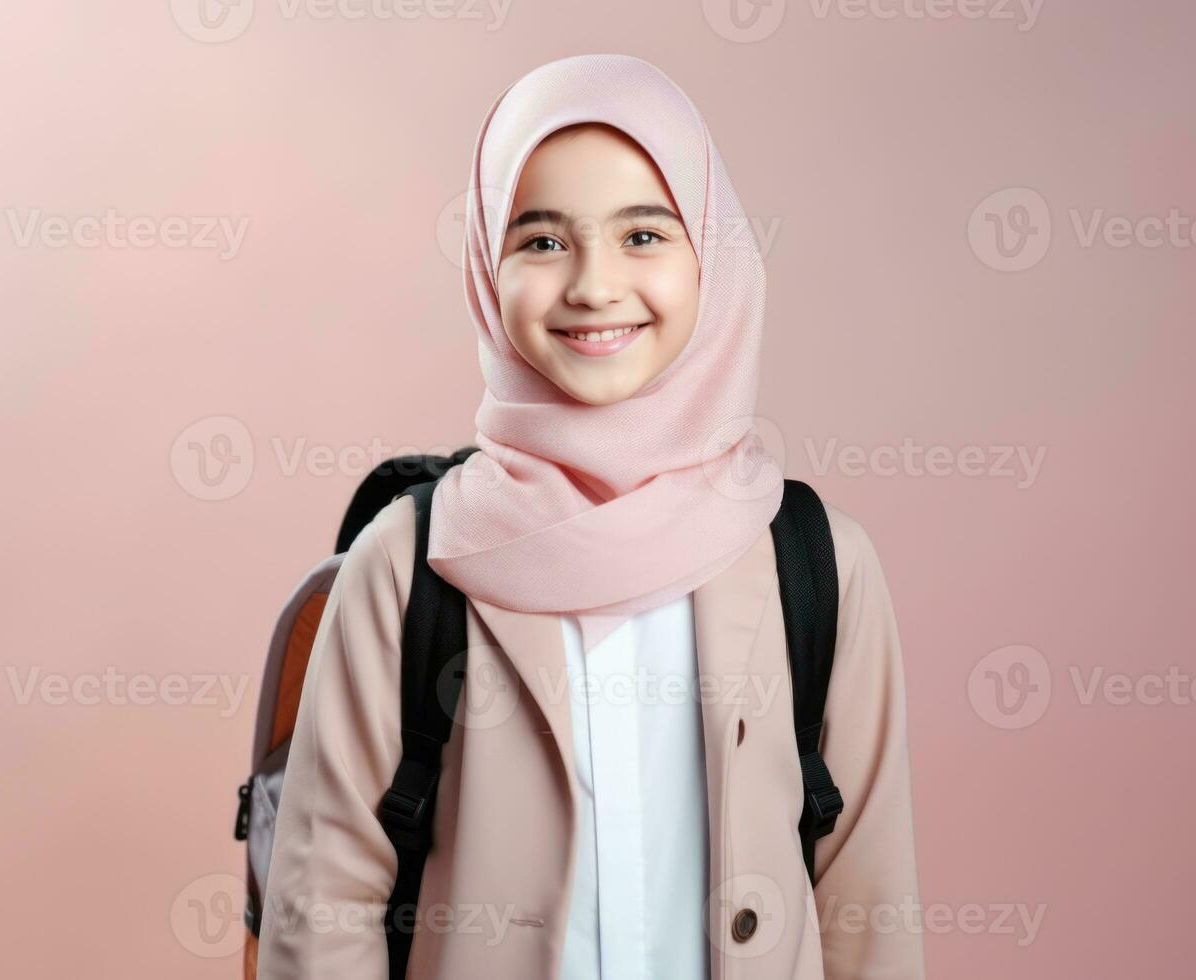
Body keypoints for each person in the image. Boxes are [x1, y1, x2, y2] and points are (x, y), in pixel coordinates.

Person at [256, 53, 924, 980]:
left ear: (714, 253)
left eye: (645, 236)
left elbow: (870, 907)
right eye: (541, 241)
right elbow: (321, 908)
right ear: (488, 266)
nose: (594, 286)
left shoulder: (815, 563)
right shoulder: (412, 562)